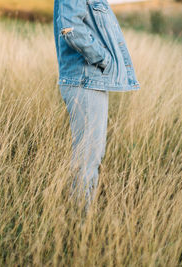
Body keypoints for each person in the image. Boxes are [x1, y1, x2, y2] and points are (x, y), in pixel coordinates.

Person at [53, 0, 140, 210]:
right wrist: (103, 59)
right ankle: (80, 222)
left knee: (92, 155)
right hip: (85, 79)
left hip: (90, 79)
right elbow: (70, 27)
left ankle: (82, 215)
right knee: (87, 158)